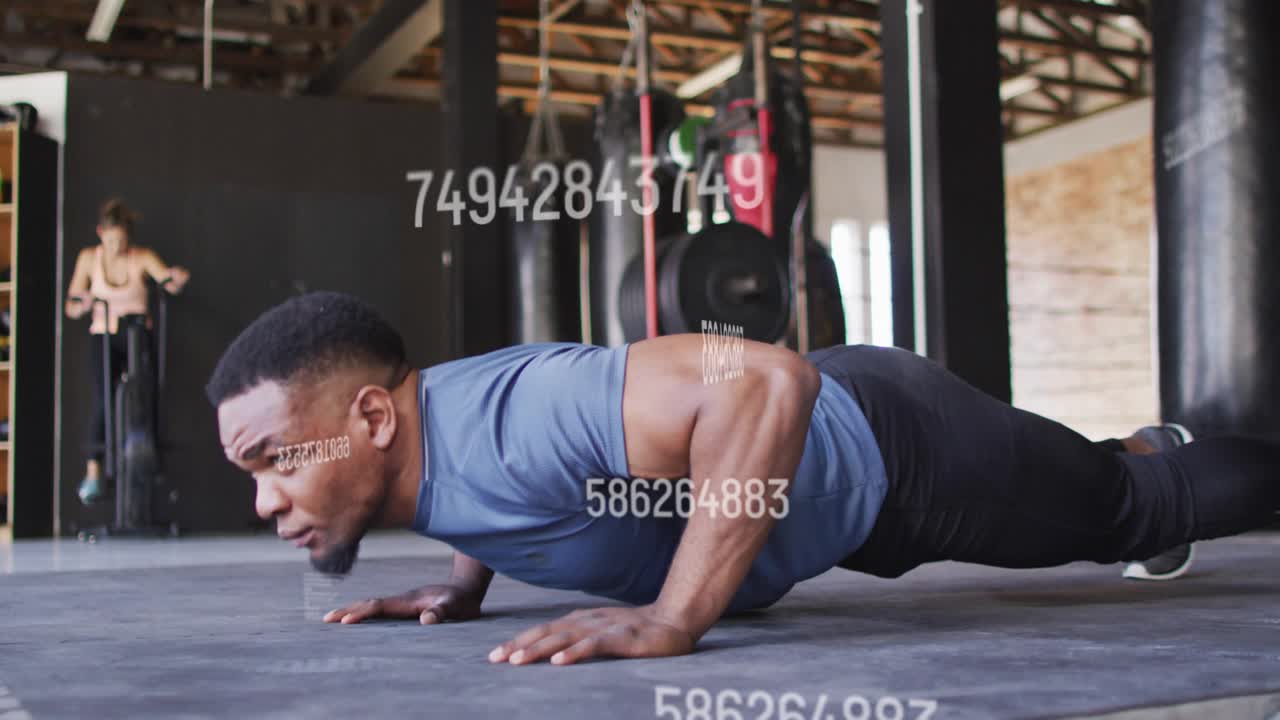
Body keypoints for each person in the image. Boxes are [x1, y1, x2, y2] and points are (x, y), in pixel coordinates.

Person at [208, 292, 1280, 666]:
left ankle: (1154, 463)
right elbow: (503, 491)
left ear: (370, 417)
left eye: (274, 458)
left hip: (901, 456)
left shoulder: (518, 418)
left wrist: (675, 617)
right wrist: (467, 581)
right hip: (848, 508)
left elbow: (762, 382)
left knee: (1135, 512)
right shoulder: (434, 442)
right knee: (1105, 487)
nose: (265, 498)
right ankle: (1127, 457)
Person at [66, 199, 190, 504]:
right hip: (103, 334)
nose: (117, 246)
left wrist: (176, 278)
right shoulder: (87, 259)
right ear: (100, 233)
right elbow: (71, 307)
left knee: (141, 395)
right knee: (103, 398)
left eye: (121, 240)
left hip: (136, 334)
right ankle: (95, 471)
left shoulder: (142, 256)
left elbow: (167, 282)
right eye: (111, 240)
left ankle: (143, 456)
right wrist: (82, 304)